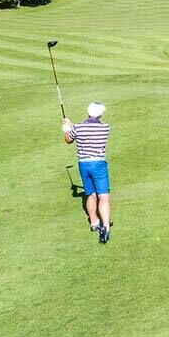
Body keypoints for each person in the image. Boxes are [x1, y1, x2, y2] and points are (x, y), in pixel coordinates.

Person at [63, 102, 112, 244]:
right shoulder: (105, 128)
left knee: (90, 194)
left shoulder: (78, 128)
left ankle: (94, 223)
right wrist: (71, 126)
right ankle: (106, 226)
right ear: (100, 114)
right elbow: (84, 130)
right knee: (104, 196)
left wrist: (67, 129)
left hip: (83, 164)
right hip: (98, 163)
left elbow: (68, 139)